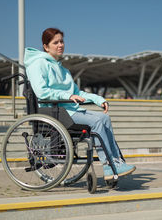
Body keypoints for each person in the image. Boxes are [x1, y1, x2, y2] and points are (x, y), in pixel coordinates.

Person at [24, 27, 136, 180]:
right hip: (53, 112)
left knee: (105, 118)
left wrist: (98, 99)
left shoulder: (63, 70)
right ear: (46, 46)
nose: (60, 45)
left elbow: (78, 94)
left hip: (68, 110)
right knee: (97, 120)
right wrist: (67, 95)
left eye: (62, 41)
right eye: (55, 42)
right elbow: (42, 92)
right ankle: (109, 166)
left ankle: (116, 162)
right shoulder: (38, 64)